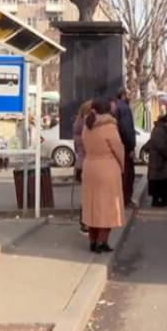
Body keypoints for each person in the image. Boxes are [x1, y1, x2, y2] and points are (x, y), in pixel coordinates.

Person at [81, 98, 125, 254]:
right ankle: (102, 241)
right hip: (107, 167)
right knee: (107, 207)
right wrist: (122, 166)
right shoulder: (109, 127)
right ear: (107, 110)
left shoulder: (87, 125)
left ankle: (92, 241)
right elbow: (118, 148)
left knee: (92, 206)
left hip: (89, 166)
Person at [110, 89, 137, 208]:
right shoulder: (124, 108)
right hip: (124, 146)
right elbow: (127, 129)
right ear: (123, 95)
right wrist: (131, 147)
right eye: (129, 94)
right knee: (128, 174)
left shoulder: (112, 107)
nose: (130, 96)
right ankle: (126, 200)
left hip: (114, 144)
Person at [147, 114, 167, 207]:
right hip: (158, 161)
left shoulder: (163, 130)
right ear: (166, 122)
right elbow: (160, 146)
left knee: (164, 180)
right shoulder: (159, 131)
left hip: (163, 161)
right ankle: (156, 200)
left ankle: (164, 199)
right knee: (157, 181)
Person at [73, 100, 93, 234]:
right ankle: (88, 223)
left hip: (80, 164)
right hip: (89, 164)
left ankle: (84, 223)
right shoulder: (89, 125)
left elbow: (77, 148)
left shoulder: (77, 126)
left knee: (86, 196)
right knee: (92, 196)